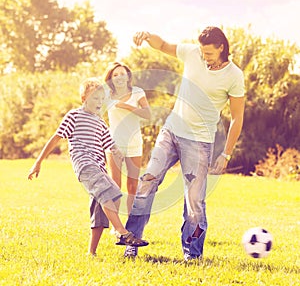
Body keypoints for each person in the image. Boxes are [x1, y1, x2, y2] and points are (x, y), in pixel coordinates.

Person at [124, 26, 245, 260]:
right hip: (171, 131)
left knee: (194, 201)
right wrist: (148, 35)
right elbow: (163, 45)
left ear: (222, 48)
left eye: (209, 53)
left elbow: (237, 117)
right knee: (148, 181)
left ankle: (192, 254)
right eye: (202, 51)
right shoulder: (192, 53)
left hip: (200, 141)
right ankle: (132, 240)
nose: (204, 56)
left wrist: (226, 154)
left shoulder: (234, 75)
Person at [27, 77, 148, 256]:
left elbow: (111, 146)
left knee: (104, 204)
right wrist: (38, 162)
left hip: (99, 168)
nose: (99, 102)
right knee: (109, 193)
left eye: (101, 98)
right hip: (84, 165)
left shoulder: (100, 122)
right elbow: (56, 137)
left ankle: (91, 252)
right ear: (84, 99)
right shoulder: (74, 116)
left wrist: (119, 152)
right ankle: (122, 233)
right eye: (94, 98)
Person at [104, 62, 151, 215]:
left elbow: (148, 114)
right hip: (114, 145)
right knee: (115, 184)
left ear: (128, 76)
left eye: (122, 74)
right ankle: (116, 225)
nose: (119, 77)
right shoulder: (107, 94)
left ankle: (131, 222)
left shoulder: (137, 92)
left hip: (134, 143)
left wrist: (127, 107)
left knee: (132, 185)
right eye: (115, 75)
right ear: (111, 78)